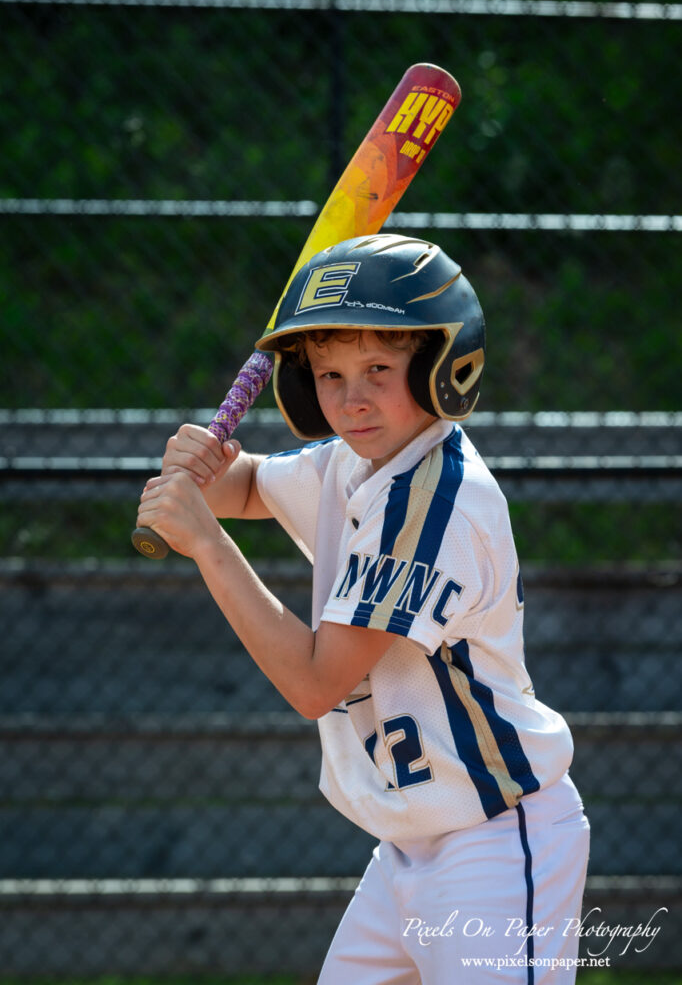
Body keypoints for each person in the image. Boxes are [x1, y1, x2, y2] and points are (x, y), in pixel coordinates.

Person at [137, 234, 590, 983]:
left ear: (442, 367)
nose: (352, 398)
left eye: (380, 369)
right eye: (330, 373)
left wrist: (209, 546)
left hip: (496, 844)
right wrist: (204, 470)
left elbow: (315, 684)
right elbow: (247, 487)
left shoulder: (438, 503)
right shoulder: (361, 461)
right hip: (406, 847)